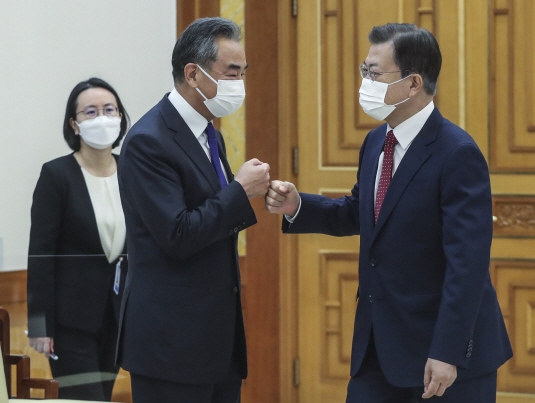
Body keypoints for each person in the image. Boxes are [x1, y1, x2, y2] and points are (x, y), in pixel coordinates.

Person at [266, 23, 513, 402]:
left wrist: (447, 351)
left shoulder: (457, 152)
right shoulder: (376, 141)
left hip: (442, 354)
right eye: (364, 71)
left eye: (374, 74)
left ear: (413, 84)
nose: (364, 83)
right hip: (378, 346)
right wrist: (298, 206)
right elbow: (361, 212)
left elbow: (468, 264)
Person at [116, 17, 270, 403]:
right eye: (231, 73)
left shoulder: (209, 134)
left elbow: (213, 215)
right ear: (193, 74)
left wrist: (251, 192)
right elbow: (178, 234)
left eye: (243, 72)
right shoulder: (148, 141)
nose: (240, 83)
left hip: (216, 341)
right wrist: (240, 191)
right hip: (170, 346)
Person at [27, 77, 130, 400]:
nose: (102, 118)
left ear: (120, 116)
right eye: (91, 112)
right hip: (70, 324)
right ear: (74, 124)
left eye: (109, 109)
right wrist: (40, 326)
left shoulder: (133, 171)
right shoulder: (57, 175)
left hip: (117, 319)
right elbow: (41, 255)